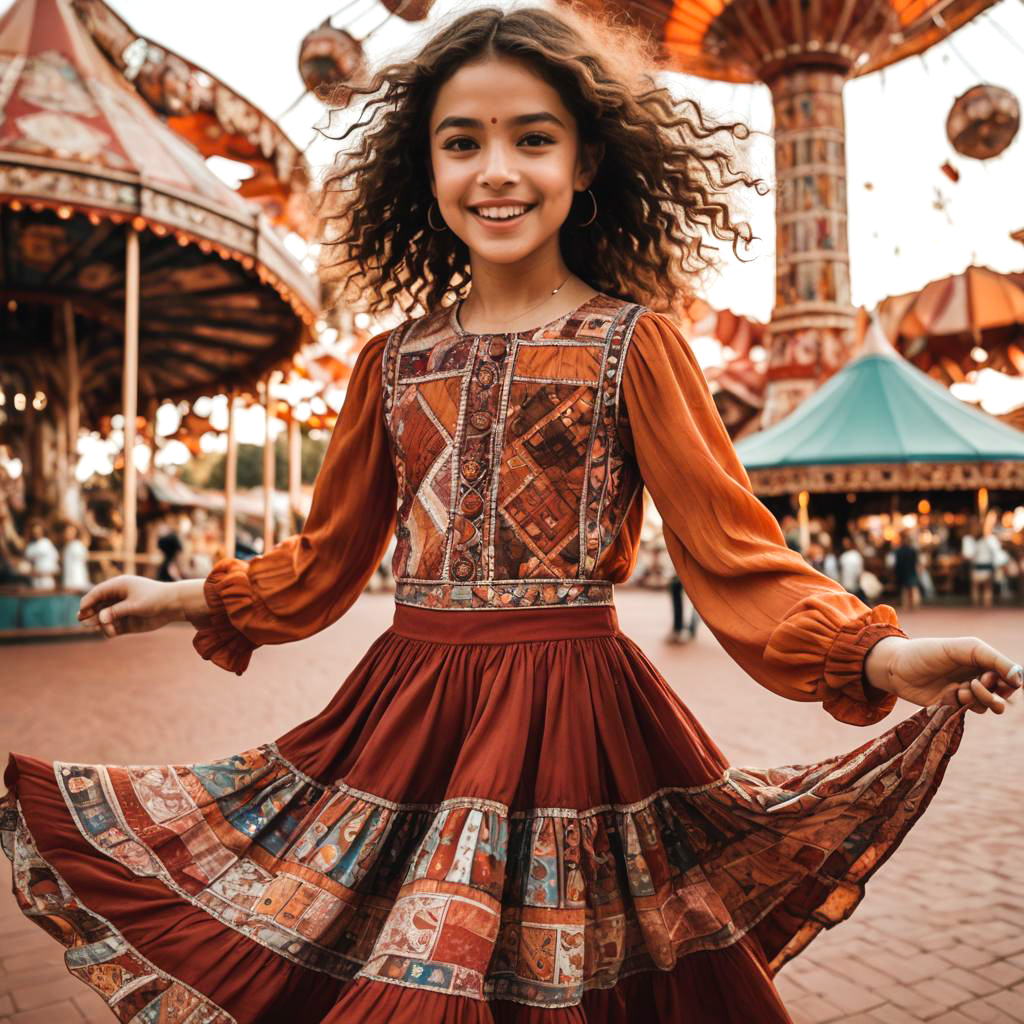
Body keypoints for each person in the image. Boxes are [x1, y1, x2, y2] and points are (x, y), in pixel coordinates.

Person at [3, 9, 1021, 1022]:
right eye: (462, 142)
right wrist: (179, 593)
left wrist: (882, 657)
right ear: (424, 169)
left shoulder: (637, 345)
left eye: (532, 137)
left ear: (585, 164)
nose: (496, 169)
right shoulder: (390, 363)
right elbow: (325, 562)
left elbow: (735, 556)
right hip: (407, 717)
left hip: (580, 717)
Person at [22, 518, 58, 590]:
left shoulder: (47, 543)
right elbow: (27, 563)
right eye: (34, 531)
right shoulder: (30, 546)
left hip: (47, 579)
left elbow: (55, 559)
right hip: (35, 580)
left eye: (38, 530)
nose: (36, 532)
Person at [893, 530, 922, 610]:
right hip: (906, 571)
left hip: (908, 570)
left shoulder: (902, 551)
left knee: (909, 588)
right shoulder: (908, 551)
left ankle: (910, 604)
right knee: (908, 588)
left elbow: (916, 562)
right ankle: (909, 604)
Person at [60, 522, 91, 593]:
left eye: (71, 532)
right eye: (67, 532)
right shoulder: (67, 546)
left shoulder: (77, 545)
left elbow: (84, 556)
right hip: (70, 582)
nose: (68, 534)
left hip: (77, 581)